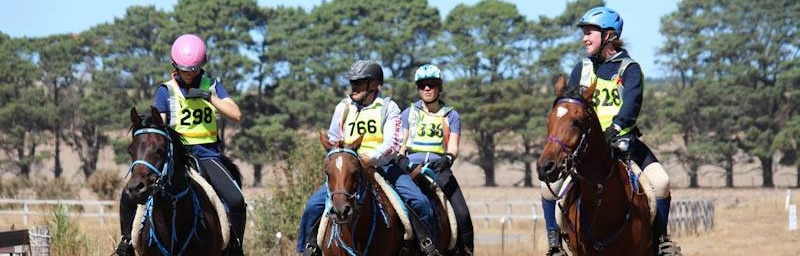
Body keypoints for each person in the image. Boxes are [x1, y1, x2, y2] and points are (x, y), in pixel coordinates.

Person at [539, 6, 678, 256]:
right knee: (547, 190)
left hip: (623, 142)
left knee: (661, 183)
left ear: (609, 36)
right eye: (584, 32)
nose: (584, 37)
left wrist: (614, 130)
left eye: (590, 32)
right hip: (583, 148)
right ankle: (555, 245)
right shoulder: (580, 69)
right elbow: (568, 105)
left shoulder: (629, 69)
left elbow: (631, 106)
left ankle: (661, 242)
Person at [115, 34, 246, 256]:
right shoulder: (165, 90)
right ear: (175, 66)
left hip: (208, 155)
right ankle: (127, 242)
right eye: (185, 70)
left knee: (236, 199)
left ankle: (235, 248)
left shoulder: (213, 85)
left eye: (194, 69)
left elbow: (236, 114)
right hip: (177, 156)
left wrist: (208, 97)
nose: (189, 74)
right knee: (128, 196)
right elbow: (161, 126)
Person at [297, 60, 439, 256]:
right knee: (313, 206)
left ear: (373, 84)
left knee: (419, 202)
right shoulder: (343, 107)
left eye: (359, 83)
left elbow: (392, 143)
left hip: (383, 167)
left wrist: (369, 158)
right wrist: (340, 156)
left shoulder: (388, 107)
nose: (353, 87)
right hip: (348, 169)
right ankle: (307, 249)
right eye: (352, 83)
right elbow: (334, 139)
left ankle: (427, 246)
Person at [398, 64, 474, 255]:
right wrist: (401, 159)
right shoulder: (408, 113)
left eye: (431, 84)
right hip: (411, 168)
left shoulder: (451, 115)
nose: (426, 89)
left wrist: (447, 158)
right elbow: (401, 144)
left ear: (439, 87)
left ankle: (466, 251)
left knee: (462, 214)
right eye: (422, 85)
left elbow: (453, 146)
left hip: (438, 168)